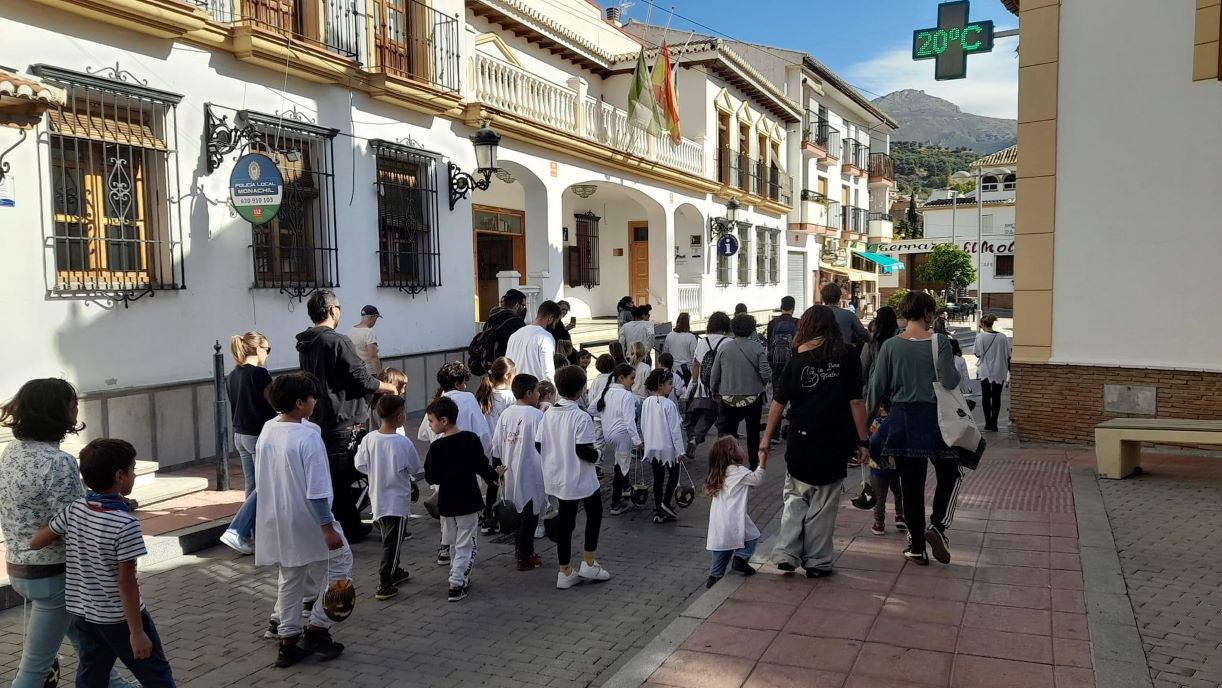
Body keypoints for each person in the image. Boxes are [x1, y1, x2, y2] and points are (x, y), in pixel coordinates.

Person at [0, 379, 135, 688]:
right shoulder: (58, 462)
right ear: (56, 412)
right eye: (72, 404)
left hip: (23, 566)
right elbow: (75, 523)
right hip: (54, 577)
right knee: (33, 671)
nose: (77, 408)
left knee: (92, 651)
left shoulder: (13, 450)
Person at [30, 439, 176, 686]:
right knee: (157, 676)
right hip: (119, 618)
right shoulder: (125, 524)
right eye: (133, 469)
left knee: (92, 674)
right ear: (120, 476)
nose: (134, 474)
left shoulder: (75, 509)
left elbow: (36, 542)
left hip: (85, 614)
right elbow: (126, 582)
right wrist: (137, 632)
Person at [760, 306, 870, 577]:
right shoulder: (848, 356)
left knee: (795, 496)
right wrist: (863, 440)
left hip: (800, 438)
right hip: (834, 439)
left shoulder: (796, 361)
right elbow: (856, 401)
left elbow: (777, 402)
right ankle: (818, 561)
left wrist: (765, 439)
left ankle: (786, 551)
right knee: (823, 502)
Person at [250, 373, 350, 668]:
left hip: (278, 517)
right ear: (299, 403)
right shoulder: (308, 437)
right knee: (341, 564)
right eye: (312, 397)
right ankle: (318, 626)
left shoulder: (269, 429)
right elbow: (317, 489)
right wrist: (327, 527)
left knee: (290, 577)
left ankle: (288, 641)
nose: (315, 401)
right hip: (309, 519)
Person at [867, 291, 963, 566]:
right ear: (928, 313)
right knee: (951, 473)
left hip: (903, 419)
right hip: (937, 420)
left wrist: (864, 430)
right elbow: (949, 381)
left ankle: (916, 546)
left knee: (911, 486)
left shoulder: (890, 346)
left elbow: (877, 389)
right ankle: (938, 525)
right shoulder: (939, 342)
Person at [296, 290, 397, 542]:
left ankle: (339, 520)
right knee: (344, 475)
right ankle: (351, 526)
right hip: (343, 417)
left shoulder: (306, 343)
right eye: (338, 307)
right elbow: (360, 377)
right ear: (332, 310)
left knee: (333, 473)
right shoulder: (337, 341)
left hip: (319, 415)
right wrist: (388, 387)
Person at [539, 366, 612, 590]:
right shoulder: (581, 417)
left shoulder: (549, 413)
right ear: (581, 390)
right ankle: (589, 561)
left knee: (566, 522)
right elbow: (584, 451)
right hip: (581, 477)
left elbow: (538, 443)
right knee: (594, 513)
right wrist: (598, 454)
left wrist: (555, 457)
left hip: (558, 476)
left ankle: (565, 570)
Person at [423, 396, 502, 603]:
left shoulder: (436, 448)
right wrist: (495, 476)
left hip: (447, 501)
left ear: (444, 421)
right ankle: (457, 582)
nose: (430, 425)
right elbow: (482, 466)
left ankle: (458, 576)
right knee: (467, 542)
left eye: (431, 421)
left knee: (453, 541)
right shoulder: (470, 439)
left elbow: (431, 476)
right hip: (468, 498)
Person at [416, 361, 493, 564]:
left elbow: (423, 433)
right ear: (459, 383)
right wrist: (486, 456)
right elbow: (483, 432)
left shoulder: (439, 401)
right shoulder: (467, 399)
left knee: (447, 510)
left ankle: (445, 547)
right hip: (466, 464)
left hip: (441, 465)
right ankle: (460, 565)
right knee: (466, 516)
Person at [354, 394, 422, 602]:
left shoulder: (369, 439)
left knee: (390, 539)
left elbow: (360, 464)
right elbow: (414, 467)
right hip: (397, 500)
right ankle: (385, 581)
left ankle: (395, 570)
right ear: (400, 417)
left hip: (378, 498)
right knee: (392, 543)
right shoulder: (402, 443)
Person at [221, 331, 276, 556]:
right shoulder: (259, 374)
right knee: (265, 486)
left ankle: (253, 535)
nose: (268, 355)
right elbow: (271, 404)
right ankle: (237, 531)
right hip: (257, 434)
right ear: (258, 349)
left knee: (252, 487)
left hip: (240, 434)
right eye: (268, 350)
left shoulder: (232, 375)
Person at [490, 373, 545, 571]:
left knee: (516, 514)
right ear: (529, 393)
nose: (539, 395)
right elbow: (544, 446)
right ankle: (525, 556)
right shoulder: (537, 416)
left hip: (510, 472)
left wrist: (498, 472)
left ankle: (520, 550)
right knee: (530, 518)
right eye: (537, 391)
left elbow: (496, 445)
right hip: (531, 472)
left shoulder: (506, 414)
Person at [710, 313, 772, 470]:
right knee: (752, 431)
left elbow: (715, 373)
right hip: (753, 395)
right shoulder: (757, 347)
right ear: (752, 329)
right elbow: (766, 372)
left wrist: (714, 390)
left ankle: (730, 465)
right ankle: (753, 464)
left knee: (730, 432)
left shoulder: (724, 347)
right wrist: (761, 383)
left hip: (729, 395)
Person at [704, 437, 765, 589]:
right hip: (733, 518)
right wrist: (762, 462)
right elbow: (757, 480)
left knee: (721, 551)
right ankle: (741, 558)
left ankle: (714, 578)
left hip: (719, 521)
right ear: (731, 454)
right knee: (752, 536)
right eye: (737, 445)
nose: (741, 446)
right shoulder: (738, 471)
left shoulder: (720, 472)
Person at [641, 369, 685, 524]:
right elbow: (675, 430)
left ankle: (658, 508)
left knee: (658, 478)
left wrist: (646, 442)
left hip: (653, 446)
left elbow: (643, 424)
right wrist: (680, 450)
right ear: (660, 385)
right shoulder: (669, 404)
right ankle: (665, 502)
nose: (671, 387)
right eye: (669, 384)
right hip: (668, 447)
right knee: (673, 475)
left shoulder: (646, 402)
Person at [596, 364, 640, 516]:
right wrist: (637, 440)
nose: (633, 382)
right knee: (621, 467)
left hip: (609, 434)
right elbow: (629, 420)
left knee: (619, 463)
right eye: (632, 378)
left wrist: (604, 418)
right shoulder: (626, 395)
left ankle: (625, 488)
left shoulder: (607, 391)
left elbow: (591, 408)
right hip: (622, 435)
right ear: (622, 378)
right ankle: (615, 502)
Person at [687, 311, 731, 457]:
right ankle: (722, 452)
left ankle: (694, 439)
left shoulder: (702, 342)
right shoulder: (728, 342)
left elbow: (695, 365)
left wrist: (694, 383)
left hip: (703, 388)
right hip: (722, 388)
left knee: (706, 417)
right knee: (723, 421)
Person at [505, 300, 562, 383]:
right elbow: (548, 373)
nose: (554, 327)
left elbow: (507, 365)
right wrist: (552, 393)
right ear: (550, 318)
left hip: (514, 389)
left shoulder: (515, 335)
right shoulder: (546, 338)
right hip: (534, 391)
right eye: (555, 322)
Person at [975, 314, 1011, 433]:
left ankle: (987, 423)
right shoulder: (1003, 337)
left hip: (985, 370)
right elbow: (1008, 355)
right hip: (999, 370)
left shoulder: (980, 337)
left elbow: (977, 353)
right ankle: (994, 423)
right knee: (996, 397)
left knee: (986, 397)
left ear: (983, 324)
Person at [861, 306, 899, 395]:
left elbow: (864, 363)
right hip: (896, 381)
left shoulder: (873, 339)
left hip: (876, 381)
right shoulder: (900, 337)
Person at [821, 283, 870, 350]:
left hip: (820, 355)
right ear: (839, 297)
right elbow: (865, 335)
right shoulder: (849, 315)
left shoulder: (814, 315)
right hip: (844, 354)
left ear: (823, 298)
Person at [486, 289, 529, 362]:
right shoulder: (517, 323)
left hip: (492, 363)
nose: (524, 308)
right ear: (517, 305)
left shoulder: (492, 317)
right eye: (523, 305)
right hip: (508, 365)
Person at [765, 296, 799, 381]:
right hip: (793, 364)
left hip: (776, 365)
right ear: (793, 308)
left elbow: (769, 345)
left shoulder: (772, 323)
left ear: (781, 307)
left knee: (777, 390)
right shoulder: (798, 322)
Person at [662, 313, 698, 383]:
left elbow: (666, 354)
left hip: (673, 371)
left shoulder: (669, 335)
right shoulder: (691, 337)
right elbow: (695, 356)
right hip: (687, 372)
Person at [346, 306, 382, 375]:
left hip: (355, 372)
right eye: (376, 318)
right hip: (369, 373)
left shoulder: (351, 331)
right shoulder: (369, 333)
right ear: (371, 317)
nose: (376, 321)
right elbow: (373, 357)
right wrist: (380, 375)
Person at [951, 339, 978, 411]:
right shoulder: (960, 359)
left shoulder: (943, 359)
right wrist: (967, 388)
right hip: (959, 388)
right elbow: (965, 376)